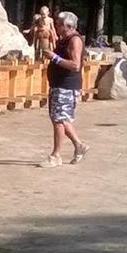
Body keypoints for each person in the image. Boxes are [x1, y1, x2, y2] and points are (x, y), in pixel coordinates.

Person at [40, 11, 90, 168]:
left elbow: (75, 65)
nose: (57, 27)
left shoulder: (75, 40)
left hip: (66, 86)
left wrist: (54, 58)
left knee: (59, 120)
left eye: (60, 25)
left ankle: (56, 155)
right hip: (58, 84)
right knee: (59, 118)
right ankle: (79, 145)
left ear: (68, 26)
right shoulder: (64, 39)